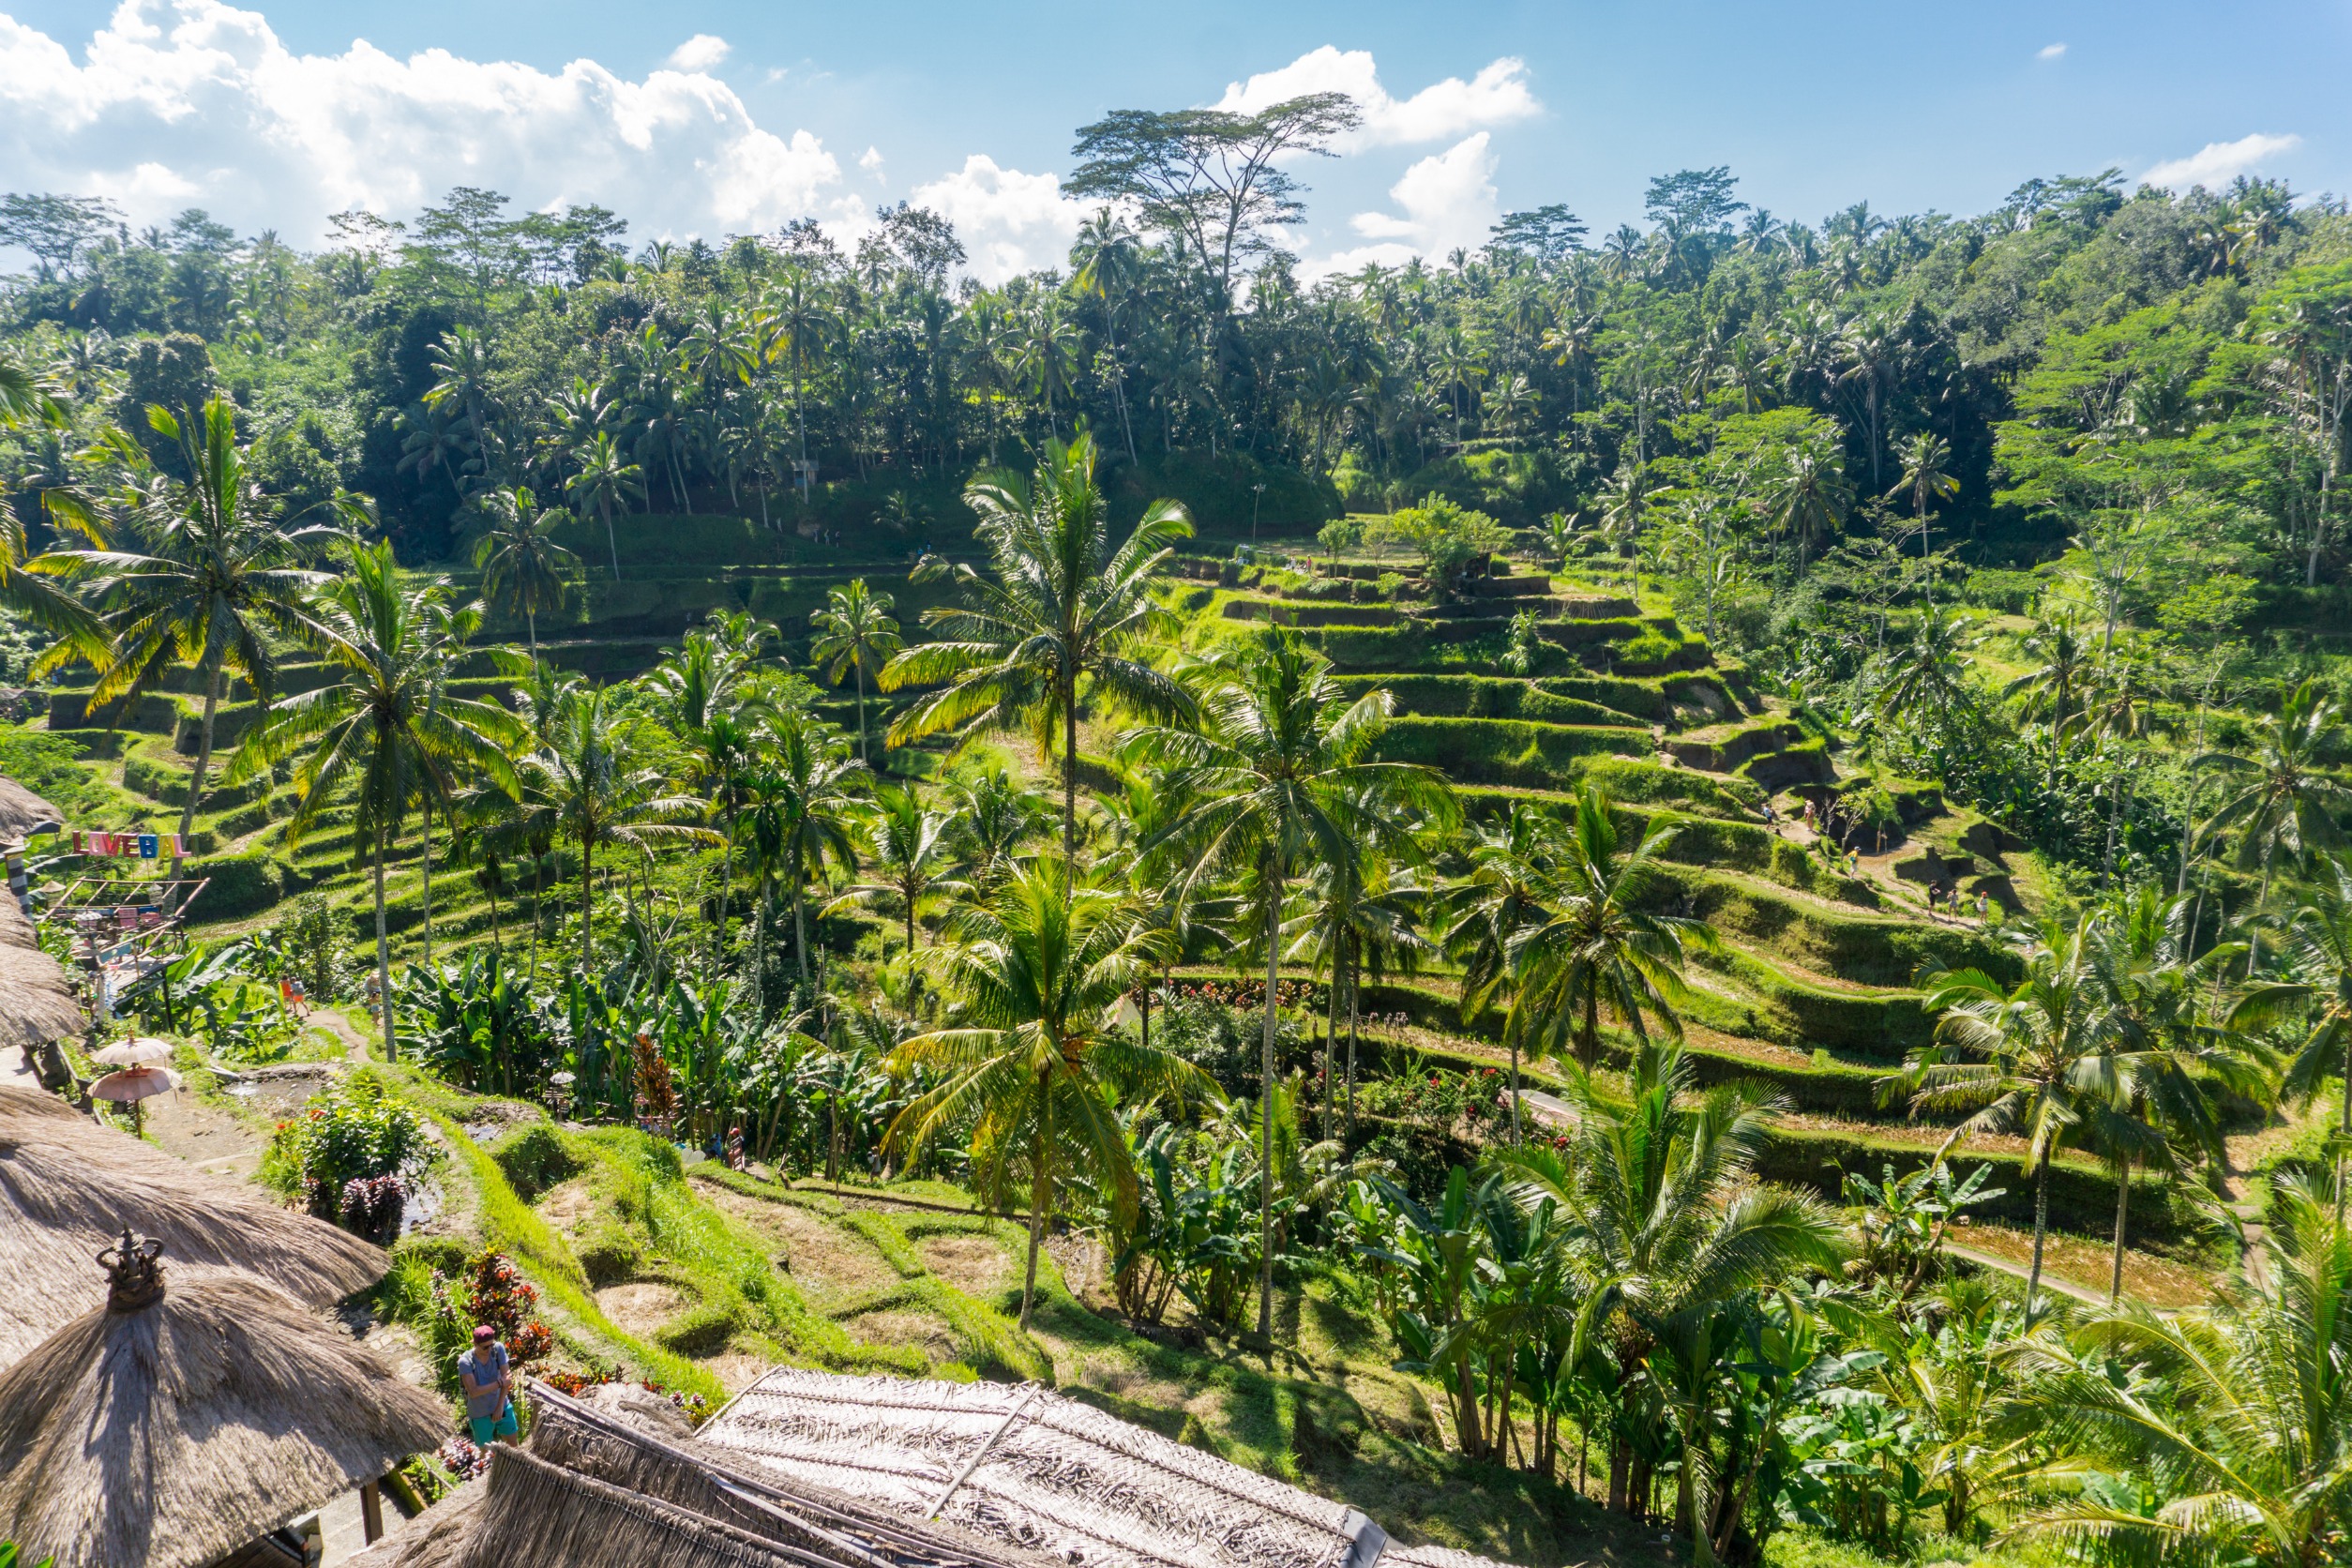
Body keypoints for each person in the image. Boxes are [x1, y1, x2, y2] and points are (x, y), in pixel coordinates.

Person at [458, 1324, 519, 1446]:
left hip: (502, 1405)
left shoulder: (498, 1349)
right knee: (484, 1453)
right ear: (475, 1344)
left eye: (492, 1344)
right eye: (486, 1347)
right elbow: (474, 1392)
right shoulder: (465, 1362)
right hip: (480, 1413)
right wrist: (499, 1383)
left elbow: (508, 1378)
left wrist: (500, 1406)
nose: (490, 1349)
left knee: (514, 1446)